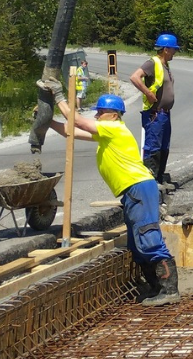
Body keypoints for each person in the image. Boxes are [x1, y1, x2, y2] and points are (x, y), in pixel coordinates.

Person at [55, 92, 179, 304]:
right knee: (136, 243)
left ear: (113, 115)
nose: (96, 116)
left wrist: (58, 96)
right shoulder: (107, 132)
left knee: (148, 239)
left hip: (139, 187)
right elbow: (70, 130)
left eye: (100, 113)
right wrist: (47, 121)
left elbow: (76, 120)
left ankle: (169, 291)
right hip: (132, 191)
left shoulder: (114, 128)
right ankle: (155, 286)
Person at [131, 34, 180, 187]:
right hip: (155, 114)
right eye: (173, 49)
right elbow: (135, 77)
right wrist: (148, 93)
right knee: (153, 147)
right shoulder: (152, 63)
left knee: (164, 147)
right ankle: (150, 182)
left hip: (164, 113)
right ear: (166, 49)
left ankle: (159, 179)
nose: (175, 52)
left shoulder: (165, 65)